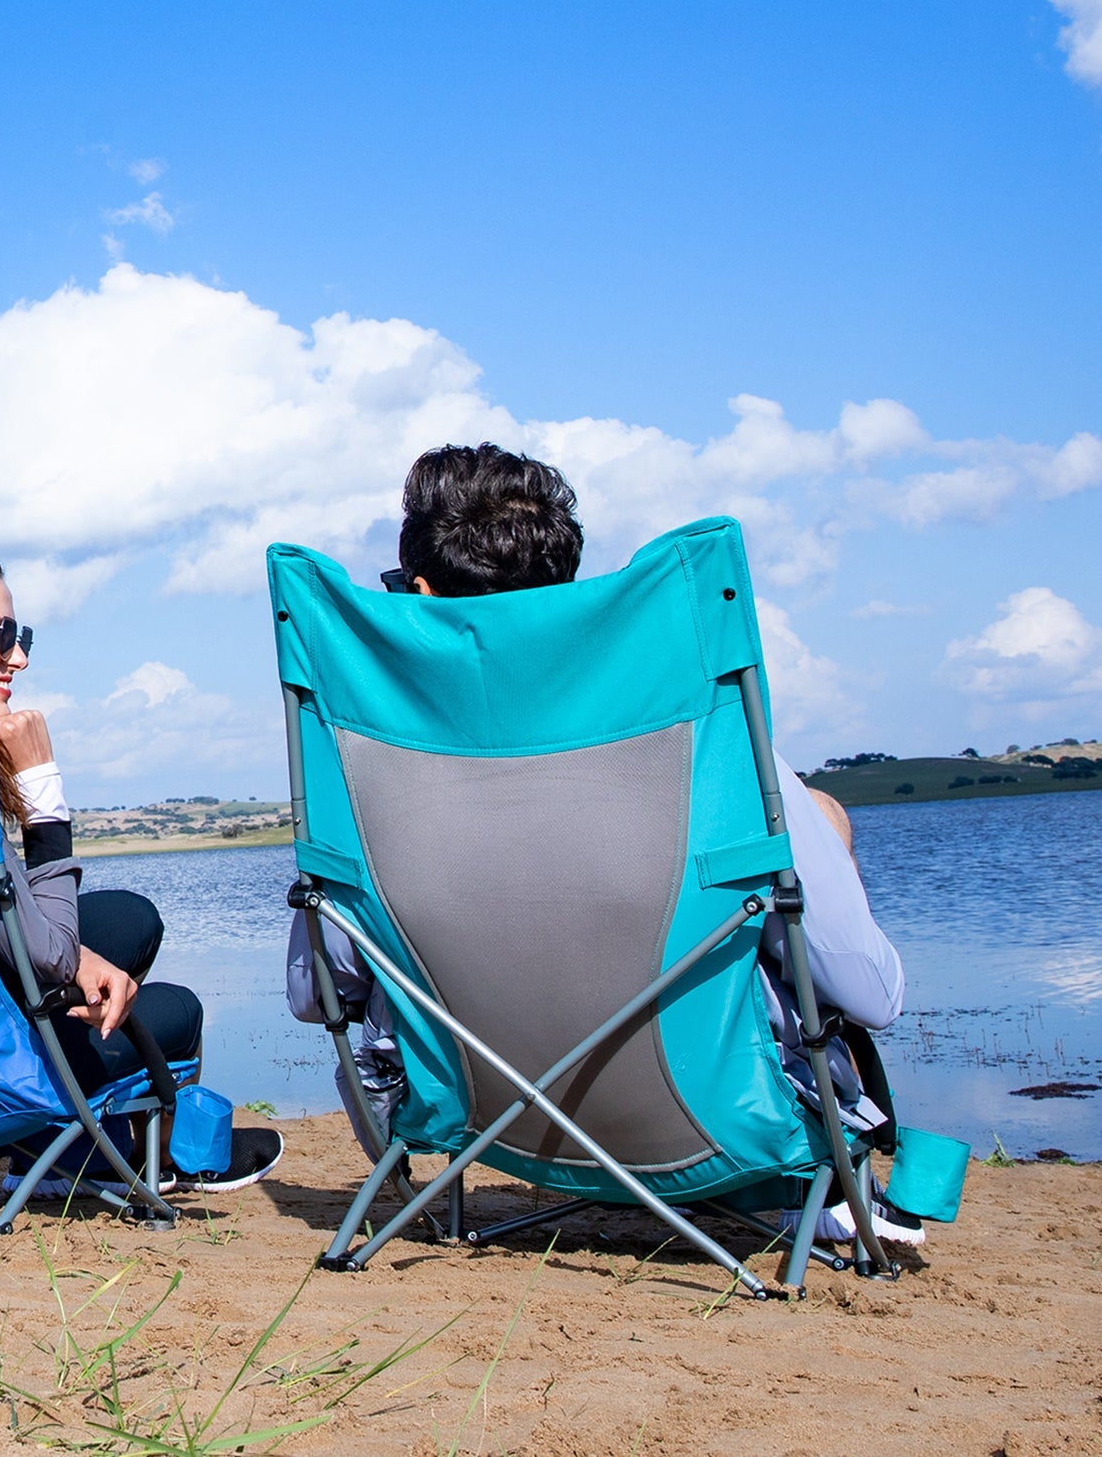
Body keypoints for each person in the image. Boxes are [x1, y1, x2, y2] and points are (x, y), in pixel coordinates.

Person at [285, 443, 919, 1241]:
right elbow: (874, 998)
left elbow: (316, 997)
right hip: (718, 1122)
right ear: (570, 596)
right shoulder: (721, 773)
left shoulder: (366, 787)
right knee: (814, 819)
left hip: (474, 1121)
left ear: (417, 599)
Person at [0, 544, 283, 1196]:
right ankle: (142, 1152)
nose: (19, 658)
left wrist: (68, 958)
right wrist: (40, 794)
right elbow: (50, 959)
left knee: (127, 924)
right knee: (176, 1011)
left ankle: (70, 1143)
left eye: (20, 637)